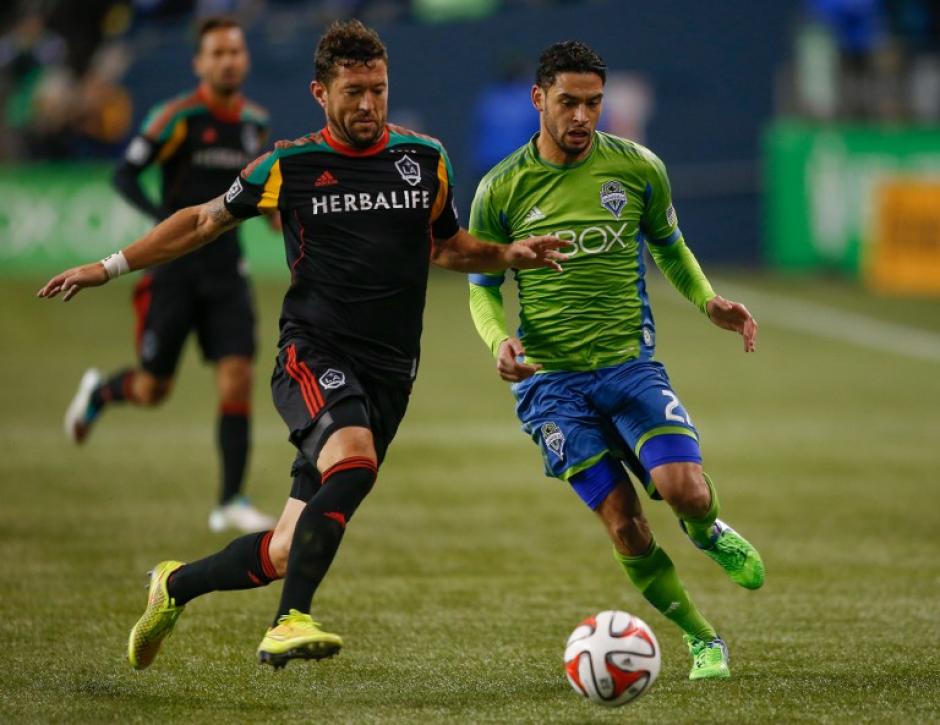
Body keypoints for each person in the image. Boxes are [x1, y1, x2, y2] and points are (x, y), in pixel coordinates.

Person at [38, 19, 565, 670]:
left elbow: (447, 244)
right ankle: (290, 618)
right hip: (312, 354)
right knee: (353, 462)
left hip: (392, 373)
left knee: (286, 548)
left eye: (378, 89)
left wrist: (506, 252)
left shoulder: (424, 159)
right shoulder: (289, 166)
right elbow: (202, 219)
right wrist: (109, 265)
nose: (368, 104)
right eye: (353, 92)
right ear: (321, 92)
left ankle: (174, 585)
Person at [467, 41, 764, 681]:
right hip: (551, 387)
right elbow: (482, 288)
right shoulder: (501, 189)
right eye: (568, 102)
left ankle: (707, 530)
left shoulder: (637, 169)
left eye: (593, 103)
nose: (582, 116)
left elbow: (671, 247)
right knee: (626, 526)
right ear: (538, 98)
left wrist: (708, 301)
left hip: (629, 366)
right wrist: (500, 343)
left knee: (686, 491)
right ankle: (702, 639)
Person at [62, 16, 275, 534]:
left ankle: (230, 500)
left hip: (227, 269)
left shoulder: (255, 122)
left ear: (244, 59)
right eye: (217, 53)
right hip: (174, 268)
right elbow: (124, 172)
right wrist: (163, 221)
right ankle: (101, 392)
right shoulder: (176, 117)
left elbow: (258, 188)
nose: (228, 60)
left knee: (237, 374)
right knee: (154, 388)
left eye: (235, 51)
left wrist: (276, 214)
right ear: (199, 63)